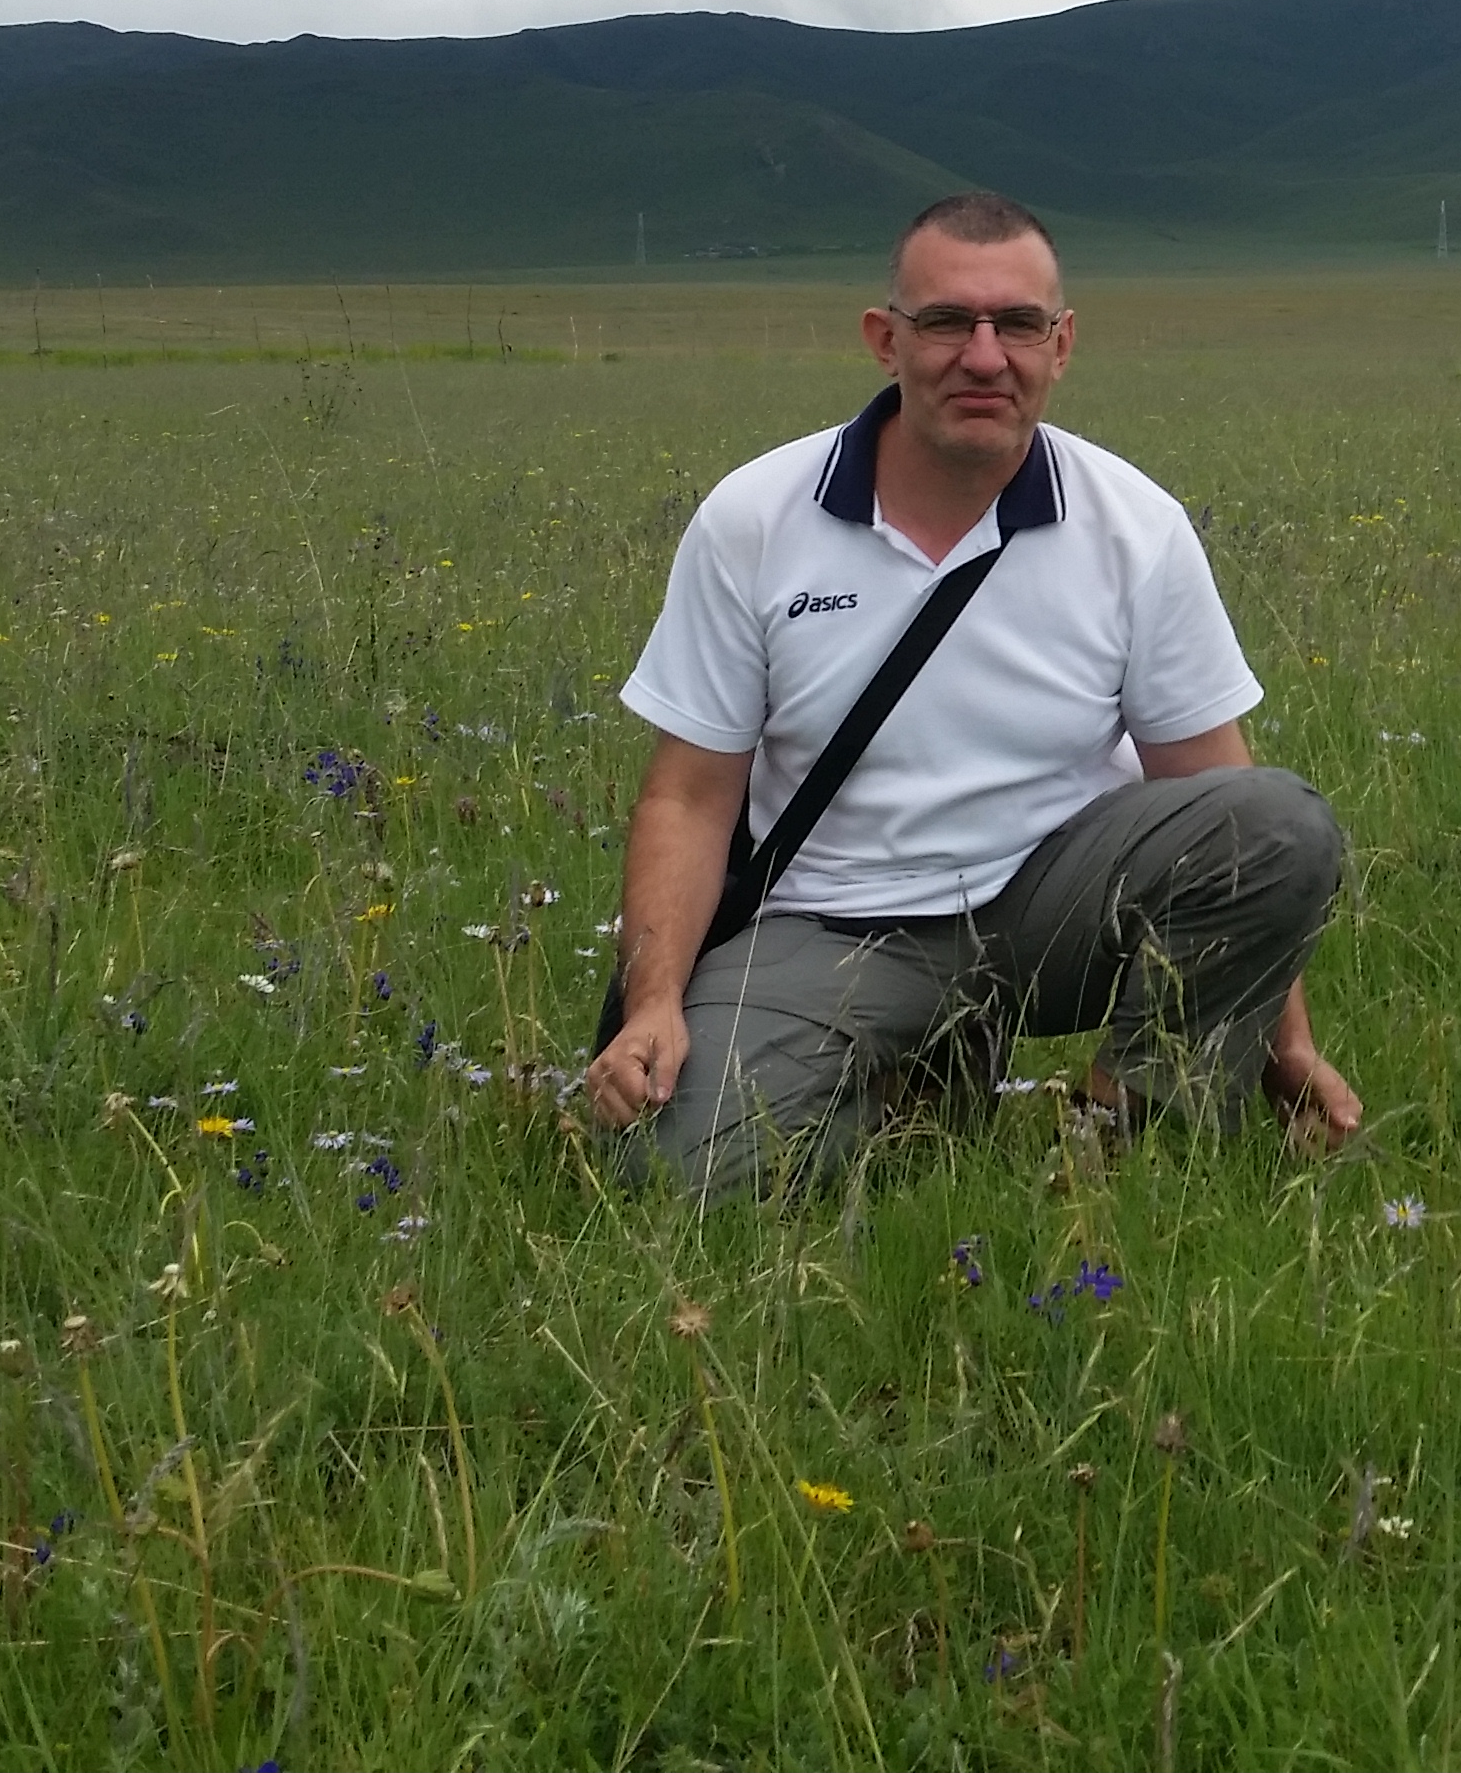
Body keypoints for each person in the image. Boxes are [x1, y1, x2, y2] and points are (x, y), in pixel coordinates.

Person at [581, 190, 1363, 1195]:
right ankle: (917, 1085)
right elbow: (687, 797)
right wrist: (653, 1006)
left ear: (1061, 343)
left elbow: (1220, 795)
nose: (983, 356)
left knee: (1281, 822)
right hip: (833, 922)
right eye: (946, 322)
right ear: (884, 340)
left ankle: (1128, 1135)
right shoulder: (755, 518)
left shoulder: (1134, 526)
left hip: (1044, 908)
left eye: (1017, 325)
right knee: (681, 1179)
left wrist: (1281, 1041)